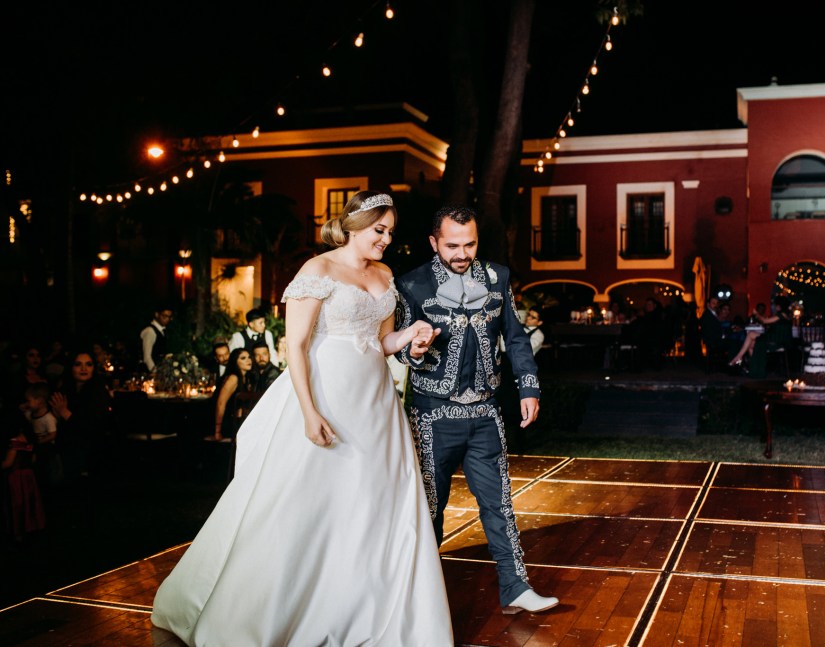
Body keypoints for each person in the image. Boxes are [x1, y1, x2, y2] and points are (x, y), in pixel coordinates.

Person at [151, 191, 453, 646]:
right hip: (326, 397)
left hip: (375, 405)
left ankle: (359, 606)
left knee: (369, 503)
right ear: (353, 226)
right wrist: (310, 412)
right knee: (306, 503)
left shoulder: (385, 275)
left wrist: (412, 335)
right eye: (379, 230)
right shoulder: (317, 270)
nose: (386, 240)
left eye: (390, 232)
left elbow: (381, 343)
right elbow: (295, 345)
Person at [394, 204, 558, 615]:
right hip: (433, 417)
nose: (462, 253)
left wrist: (529, 387)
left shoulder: (498, 277)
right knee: (430, 509)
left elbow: (516, 338)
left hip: (485, 412)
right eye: (452, 245)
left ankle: (515, 588)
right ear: (434, 242)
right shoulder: (412, 284)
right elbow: (400, 350)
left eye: (469, 244)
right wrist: (415, 350)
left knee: (499, 503)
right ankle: (421, 600)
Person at [49, 351, 114, 481]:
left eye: (88, 364)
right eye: (78, 364)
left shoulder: (98, 391)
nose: (84, 369)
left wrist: (64, 413)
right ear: (71, 367)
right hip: (66, 448)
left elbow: (90, 428)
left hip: (91, 452)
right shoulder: (66, 389)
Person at [210, 348, 257, 442]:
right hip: (228, 423)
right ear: (235, 362)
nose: (248, 360)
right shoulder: (233, 378)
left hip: (240, 422)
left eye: (249, 357)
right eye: (243, 358)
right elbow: (220, 403)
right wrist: (217, 431)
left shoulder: (247, 378)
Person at [139, 307, 173, 372]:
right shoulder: (150, 331)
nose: (167, 319)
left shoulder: (163, 331)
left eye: (169, 317)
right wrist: (155, 372)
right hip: (148, 372)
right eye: (164, 316)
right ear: (157, 314)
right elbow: (147, 357)